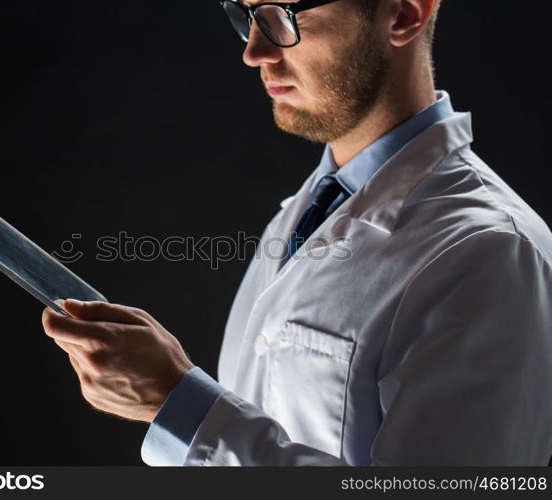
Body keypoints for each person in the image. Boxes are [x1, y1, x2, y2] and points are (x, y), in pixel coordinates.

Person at [41, 0, 552, 465]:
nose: (253, 51)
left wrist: (181, 407)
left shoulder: (490, 252)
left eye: (284, 14)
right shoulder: (312, 210)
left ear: (403, 14)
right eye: (246, 14)